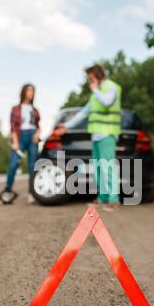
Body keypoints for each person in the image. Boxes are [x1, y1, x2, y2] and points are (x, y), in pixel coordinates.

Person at [55, 64, 122, 211]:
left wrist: (95, 89)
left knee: (107, 167)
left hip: (108, 134)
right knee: (98, 168)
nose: (89, 81)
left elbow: (107, 102)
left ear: (97, 75)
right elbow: (84, 113)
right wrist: (66, 126)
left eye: (90, 78)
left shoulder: (112, 87)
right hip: (97, 136)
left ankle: (113, 199)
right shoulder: (95, 94)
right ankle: (102, 198)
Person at [1, 84, 41, 205]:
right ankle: (7, 191)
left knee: (32, 166)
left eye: (33, 91)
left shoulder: (35, 110)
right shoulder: (15, 109)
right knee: (13, 164)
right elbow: (13, 126)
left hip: (32, 137)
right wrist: (15, 142)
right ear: (24, 92)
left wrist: (37, 134)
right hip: (20, 137)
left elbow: (38, 126)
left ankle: (31, 193)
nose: (31, 93)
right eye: (29, 90)